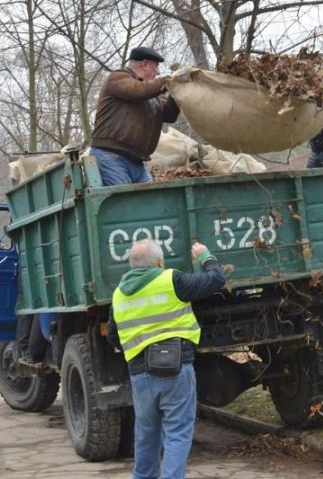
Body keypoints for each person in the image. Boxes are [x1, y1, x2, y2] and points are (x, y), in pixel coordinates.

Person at [107, 238, 225, 479]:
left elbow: (112, 336)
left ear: (132, 265)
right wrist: (205, 256)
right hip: (176, 368)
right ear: (159, 262)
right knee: (178, 432)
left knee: (146, 433)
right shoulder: (171, 280)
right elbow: (216, 280)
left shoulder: (118, 295)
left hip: (140, 374)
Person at [91, 46, 180, 185]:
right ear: (144, 64)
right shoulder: (118, 77)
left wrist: (177, 92)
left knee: (150, 202)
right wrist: (167, 81)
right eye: (155, 67)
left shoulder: (152, 95)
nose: (158, 72)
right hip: (110, 155)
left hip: (137, 162)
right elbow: (136, 91)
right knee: (127, 203)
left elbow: (169, 115)